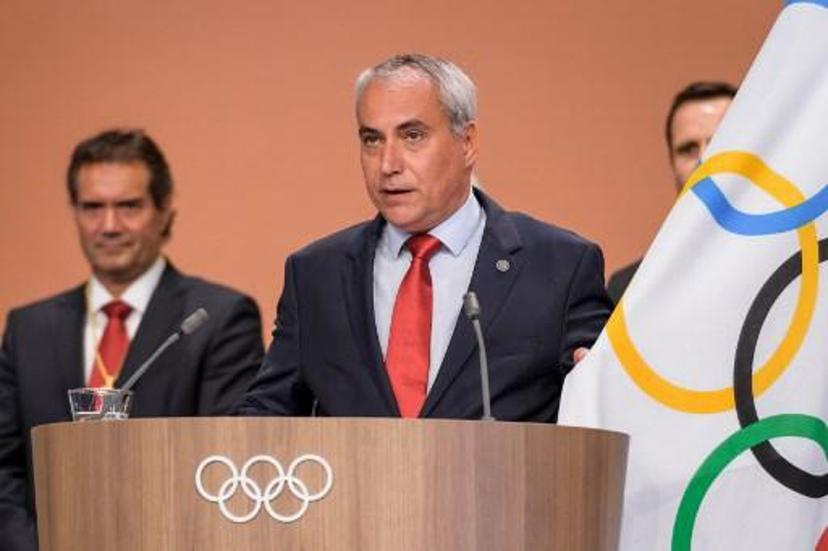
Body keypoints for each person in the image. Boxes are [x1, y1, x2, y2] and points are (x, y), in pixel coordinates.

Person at [238, 53, 611, 421]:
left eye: (412, 135)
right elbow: (268, 414)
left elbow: (602, 416)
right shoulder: (316, 274)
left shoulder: (560, 266)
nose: (387, 164)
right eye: (371, 140)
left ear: (467, 143)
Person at [0, 129, 264, 551]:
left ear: (164, 213)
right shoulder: (29, 328)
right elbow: (4, 470)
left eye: (128, 206)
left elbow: (226, 464)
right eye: (92, 207)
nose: (108, 226)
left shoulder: (219, 318)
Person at [606, 81, 737, 303]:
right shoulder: (631, 289)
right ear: (672, 164)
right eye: (688, 150)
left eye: (719, 142)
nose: (703, 160)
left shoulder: (803, 262)